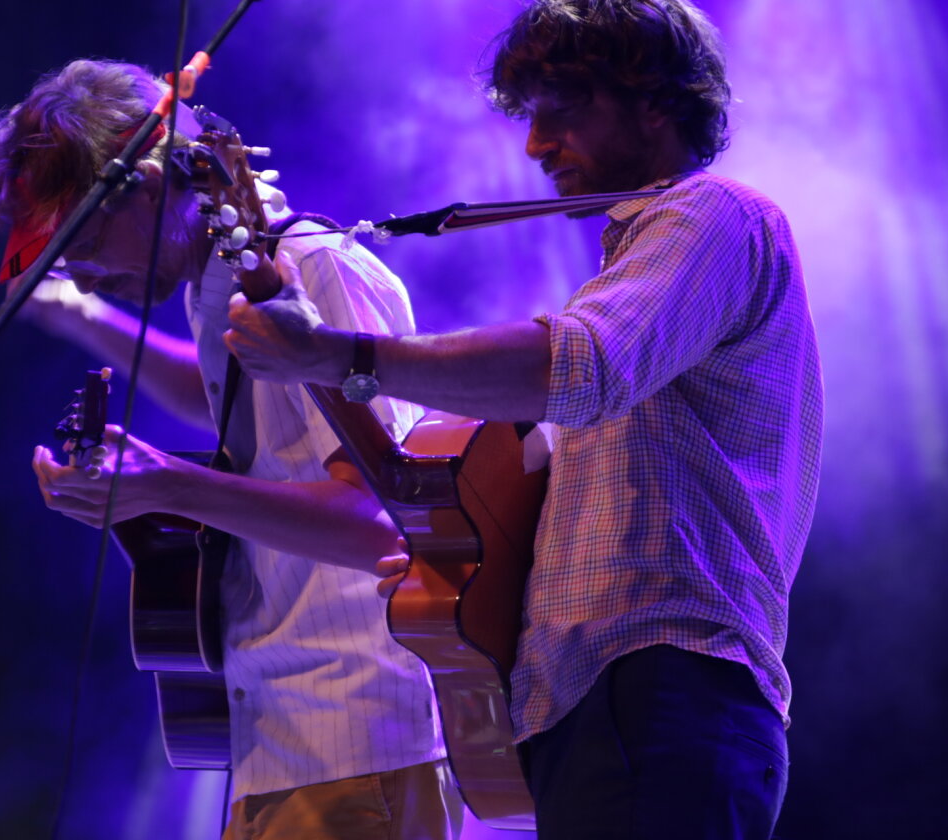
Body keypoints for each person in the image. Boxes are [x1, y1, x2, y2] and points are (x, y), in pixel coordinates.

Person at [223, 1, 823, 838]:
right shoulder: (636, 263)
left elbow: (575, 365)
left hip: (662, 692)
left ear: (655, 98)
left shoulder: (712, 215)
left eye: (561, 110)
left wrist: (340, 356)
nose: (536, 146)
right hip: (611, 705)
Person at [0, 59, 462, 840]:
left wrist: (166, 484)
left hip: (354, 734)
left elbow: (383, 524)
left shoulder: (310, 272)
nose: (77, 266)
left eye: (84, 234)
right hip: (283, 732)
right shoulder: (217, 281)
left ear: (149, 182)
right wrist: (77, 316)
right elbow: (231, 407)